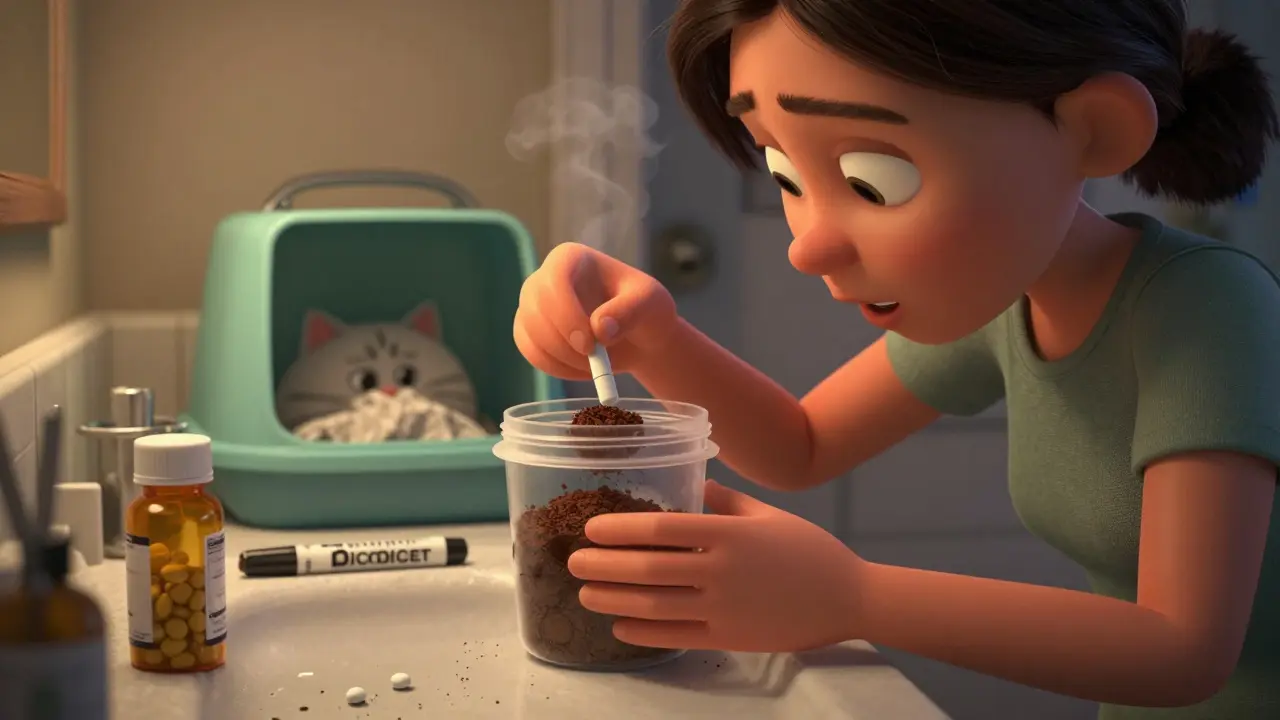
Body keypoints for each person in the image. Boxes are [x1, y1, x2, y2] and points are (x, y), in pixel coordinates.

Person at [512, 1, 1280, 718]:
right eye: (785, 174)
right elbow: (799, 445)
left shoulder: (1208, 305)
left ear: (1094, 129)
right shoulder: (1010, 298)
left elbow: (1186, 651)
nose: (807, 245)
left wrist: (851, 597)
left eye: (873, 181)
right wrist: (650, 334)